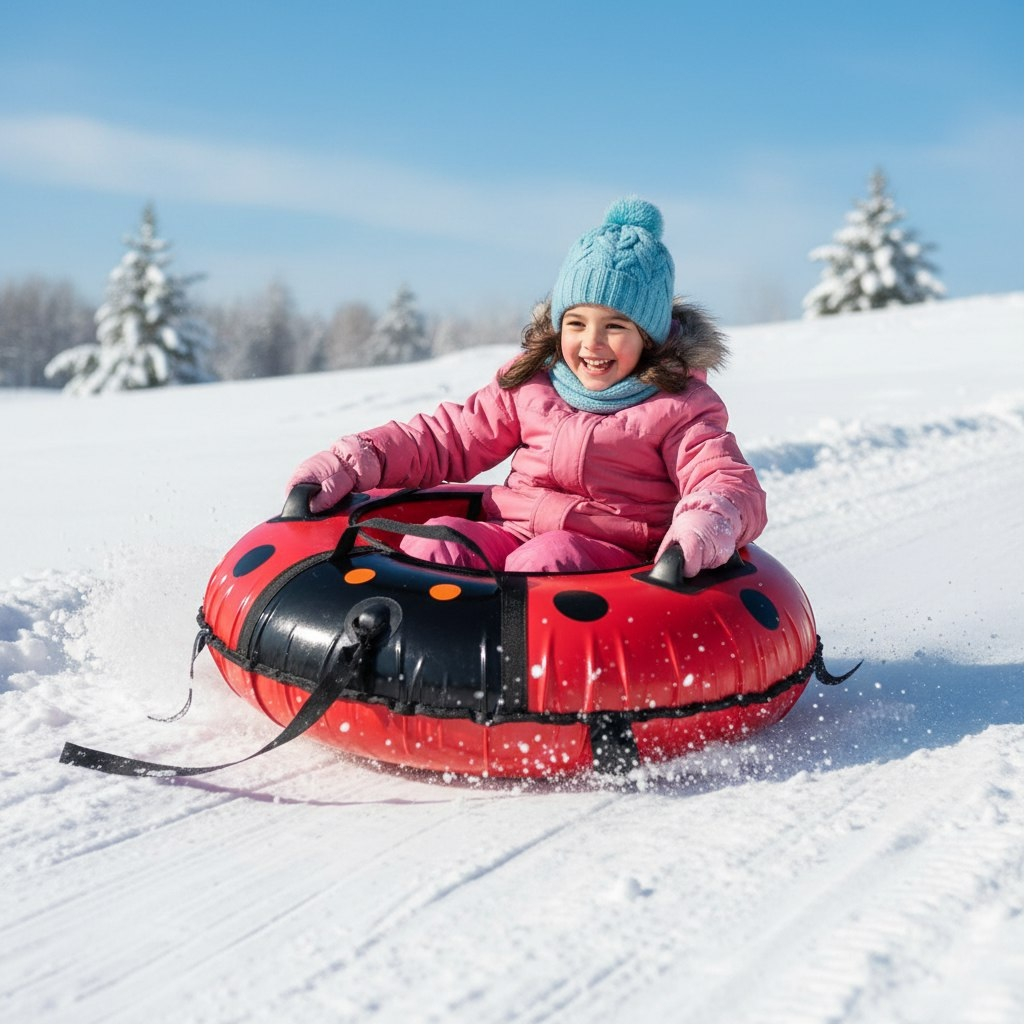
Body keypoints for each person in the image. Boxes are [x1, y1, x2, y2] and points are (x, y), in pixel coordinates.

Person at [288, 197, 767, 576]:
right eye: (576, 323)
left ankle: (534, 685)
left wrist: (706, 525)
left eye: (616, 326)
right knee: (438, 542)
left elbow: (721, 477)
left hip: (614, 558)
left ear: (650, 336)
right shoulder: (532, 385)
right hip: (511, 531)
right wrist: (354, 461)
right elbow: (445, 438)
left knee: (547, 561)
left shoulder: (679, 406)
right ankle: (418, 674)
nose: (591, 343)